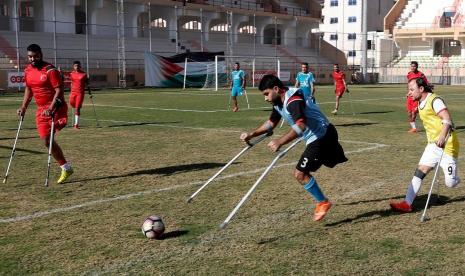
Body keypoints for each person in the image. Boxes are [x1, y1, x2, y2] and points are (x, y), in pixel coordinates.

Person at [240, 74, 348, 221]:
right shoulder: (278, 102)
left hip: (322, 136)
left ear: (276, 89)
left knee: (300, 174)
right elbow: (271, 123)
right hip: (318, 137)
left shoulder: (293, 100)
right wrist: (252, 134)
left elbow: (301, 125)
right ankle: (323, 201)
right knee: (312, 169)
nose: (265, 98)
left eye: (266, 94)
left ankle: (323, 202)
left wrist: (280, 141)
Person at [390, 77, 460, 213]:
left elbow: (447, 120)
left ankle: (456, 178)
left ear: (421, 89)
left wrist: (442, 136)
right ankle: (407, 203)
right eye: (408, 90)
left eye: (411, 90)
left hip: (447, 145)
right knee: (420, 170)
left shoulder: (435, 100)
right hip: (433, 145)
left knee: (450, 183)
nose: (409, 93)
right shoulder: (420, 102)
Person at [17, 44, 73, 184]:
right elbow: (29, 89)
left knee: (49, 138)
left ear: (41, 54)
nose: (33, 59)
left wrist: (52, 107)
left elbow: (59, 90)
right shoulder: (28, 70)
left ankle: (65, 167)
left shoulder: (50, 70)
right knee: (46, 141)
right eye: (30, 56)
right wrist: (23, 107)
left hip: (56, 107)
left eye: (35, 56)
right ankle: (66, 168)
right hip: (41, 109)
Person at [406, 61, 429, 133]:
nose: (413, 67)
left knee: (414, 112)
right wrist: (408, 92)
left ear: (417, 67)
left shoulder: (421, 75)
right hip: (410, 96)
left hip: (417, 96)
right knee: (409, 113)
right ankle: (413, 128)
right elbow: (409, 85)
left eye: (414, 66)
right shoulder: (409, 74)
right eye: (412, 66)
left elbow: (426, 83)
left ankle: (421, 110)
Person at [69, 60, 90, 129]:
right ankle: (76, 113)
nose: (77, 67)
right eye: (75, 66)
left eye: (78, 65)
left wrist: (89, 93)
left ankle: (76, 124)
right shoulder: (71, 74)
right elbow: (64, 77)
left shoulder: (84, 74)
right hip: (73, 93)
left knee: (77, 108)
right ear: (73, 67)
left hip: (80, 93)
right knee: (72, 104)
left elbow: (88, 84)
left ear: (80, 66)